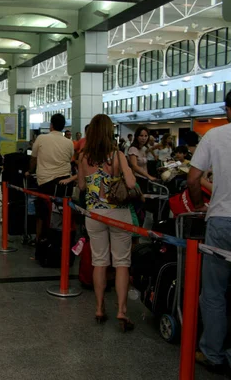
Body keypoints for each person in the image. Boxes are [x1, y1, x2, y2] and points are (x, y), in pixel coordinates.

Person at [78, 114, 137, 331]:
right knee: (122, 262)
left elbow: (82, 187)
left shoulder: (84, 156)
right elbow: (130, 183)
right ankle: (121, 310)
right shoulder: (118, 155)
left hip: (94, 214)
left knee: (99, 260)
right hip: (119, 214)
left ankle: (100, 307)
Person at [188, 91, 231, 374]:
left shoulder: (215, 136)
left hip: (222, 220)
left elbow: (193, 178)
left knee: (214, 292)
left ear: (228, 109)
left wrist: (201, 204)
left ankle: (213, 354)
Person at [27, 113, 74, 243]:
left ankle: (39, 239)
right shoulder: (69, 142)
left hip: (45, 182)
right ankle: (62, 241)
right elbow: (69, 159)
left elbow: (33, 159)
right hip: (65, 183)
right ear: (63, 127)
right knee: (63, 213)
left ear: (51, 125)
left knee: (42, 213)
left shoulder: (41, 138)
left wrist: (29, 171)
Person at [127, 126, 157, 192]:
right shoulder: (133, 149)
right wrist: (148, 176)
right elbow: (134, 166)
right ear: (137, 136)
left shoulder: (144, 148)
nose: (143, 138)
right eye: (141, 136)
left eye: (146, 136)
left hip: (144, 178)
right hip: (136, 179)